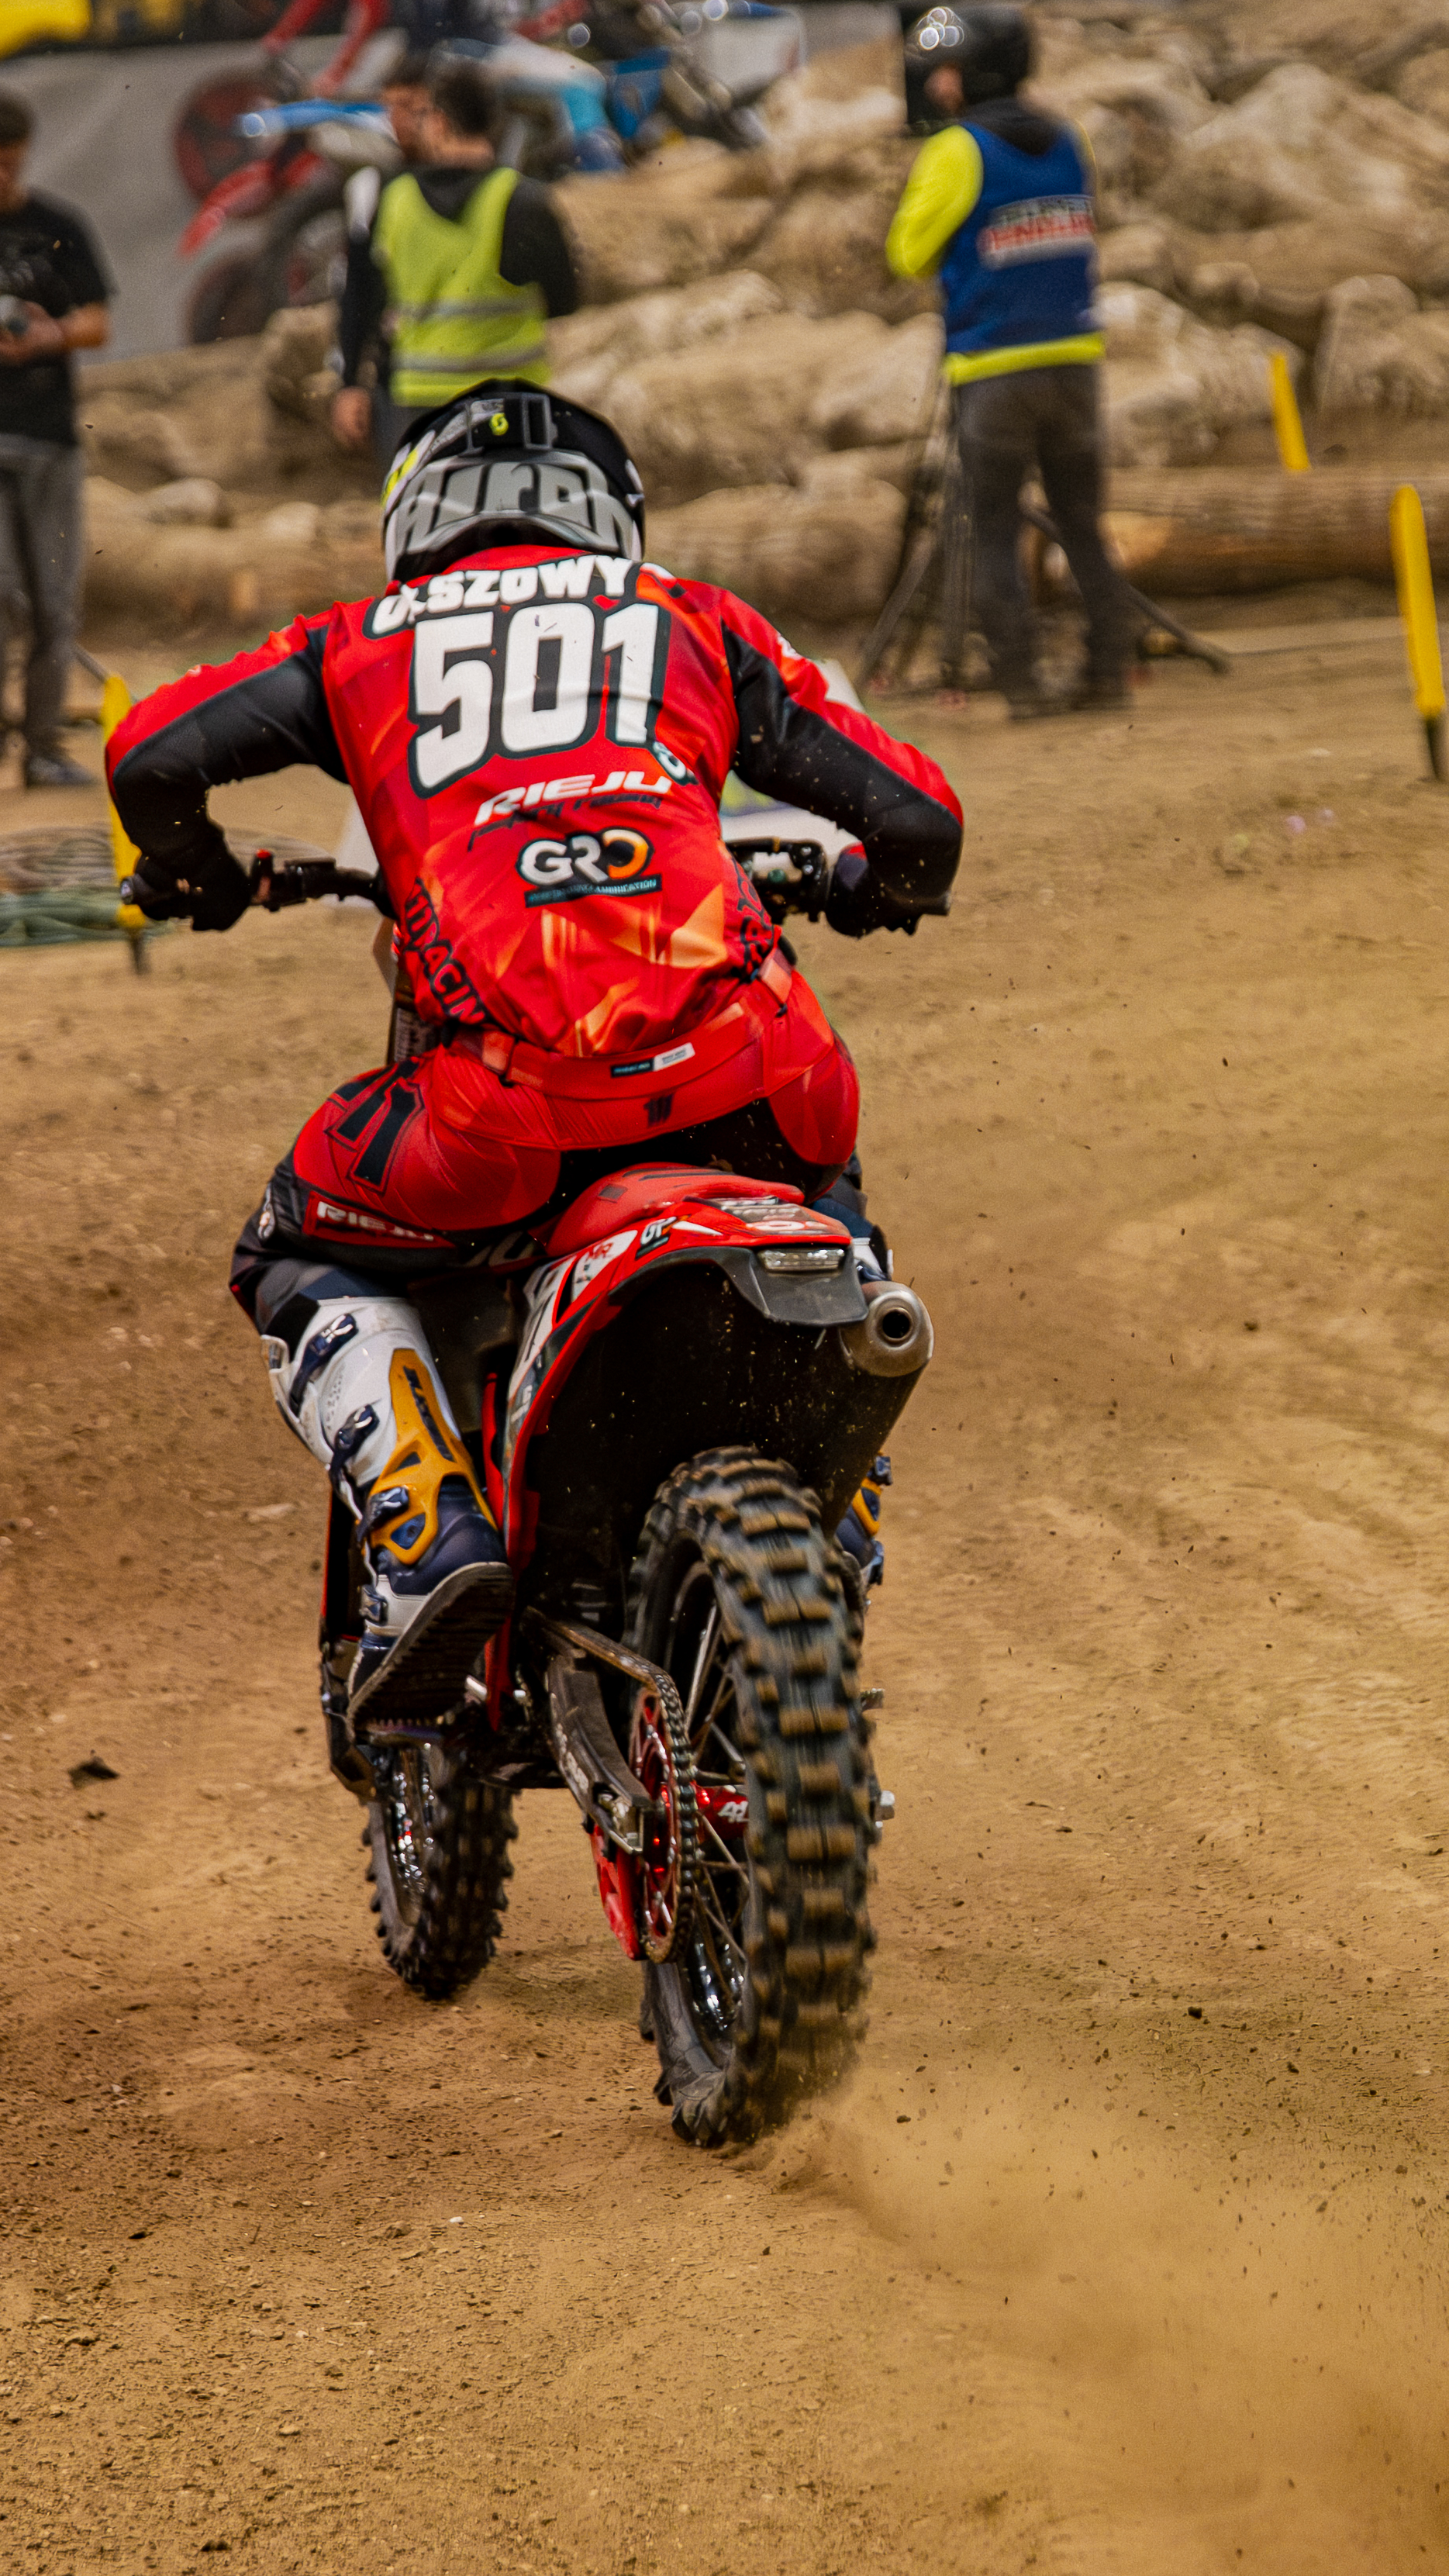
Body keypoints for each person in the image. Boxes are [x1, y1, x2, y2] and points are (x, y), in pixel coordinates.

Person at [108, 380, 961, 1728]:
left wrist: (198, 872)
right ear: (610, 514)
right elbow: (921, 822)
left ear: (414, 522)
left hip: (509, 1116)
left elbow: (148, 754)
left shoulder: (358, 641)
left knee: (290, 1241)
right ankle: (837, 1495)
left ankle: (428, 1530)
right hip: (750, 1076)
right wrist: (872, 887)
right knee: (819, 1168)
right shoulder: (690, 616)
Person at [886, 5, 1137, 717]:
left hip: (992, 369)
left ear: (976, 73)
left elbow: (906, 254)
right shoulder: (1070, 139)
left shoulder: (956, 151)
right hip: (1075, 360)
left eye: (948, 71)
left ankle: (1021, 684)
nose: (938, 85)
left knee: (991, 528)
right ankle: (1107, 672)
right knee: (1082, 523)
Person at [332, 57, 578, 472]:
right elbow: (565, 299)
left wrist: (351, 384)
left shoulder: (393, 200)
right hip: (512, 405)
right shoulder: (524, 202)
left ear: (439, 121)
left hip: (419, 405)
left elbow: (360, 296)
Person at [0, 91, 112, 788]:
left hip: (50, 440)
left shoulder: (57, 228)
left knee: (53, 600)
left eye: (10, 164)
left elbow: (98, 321)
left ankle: (42, 747)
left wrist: (49, 335)